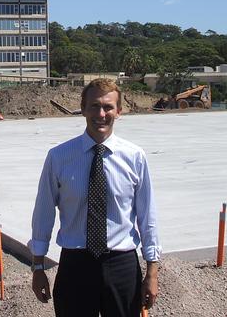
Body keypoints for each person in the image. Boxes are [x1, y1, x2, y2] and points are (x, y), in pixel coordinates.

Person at [29, 78, 161, 317]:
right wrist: (38, 266)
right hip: (75, 265)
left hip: (122, 265)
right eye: (94, 106)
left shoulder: (135, 158)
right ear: (83, 109)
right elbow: (43, 213)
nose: (101, 113)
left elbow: (147, 216)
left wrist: (152, 270)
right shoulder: (59, 157)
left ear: (119, 111)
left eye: (108, 107)